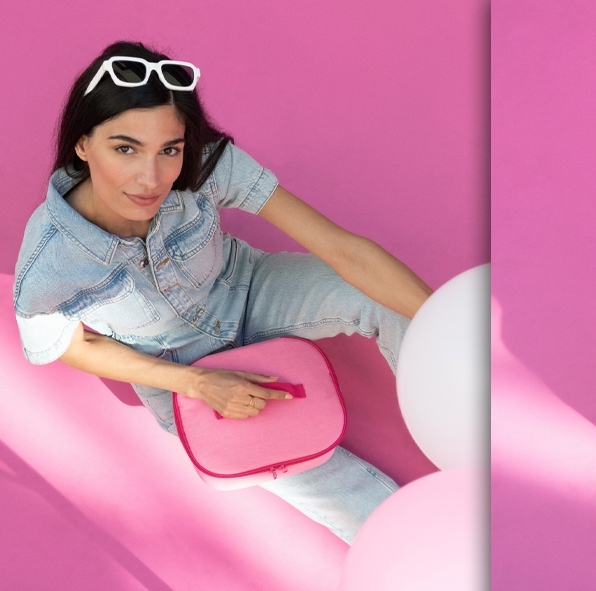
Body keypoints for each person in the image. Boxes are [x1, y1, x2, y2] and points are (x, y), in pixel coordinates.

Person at [14, 41, 431, 543]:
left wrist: (445, 319)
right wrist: (196, 384)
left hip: (248, 288)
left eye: (169, 149)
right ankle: (422, 552)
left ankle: (474, 431)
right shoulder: (49, 261)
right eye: (125, 149)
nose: (151, 178)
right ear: (83, 144)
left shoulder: (206, 164)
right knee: (332, 485)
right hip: (178, 368)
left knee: (387, 300)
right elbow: (69, 345)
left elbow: (346, 251)